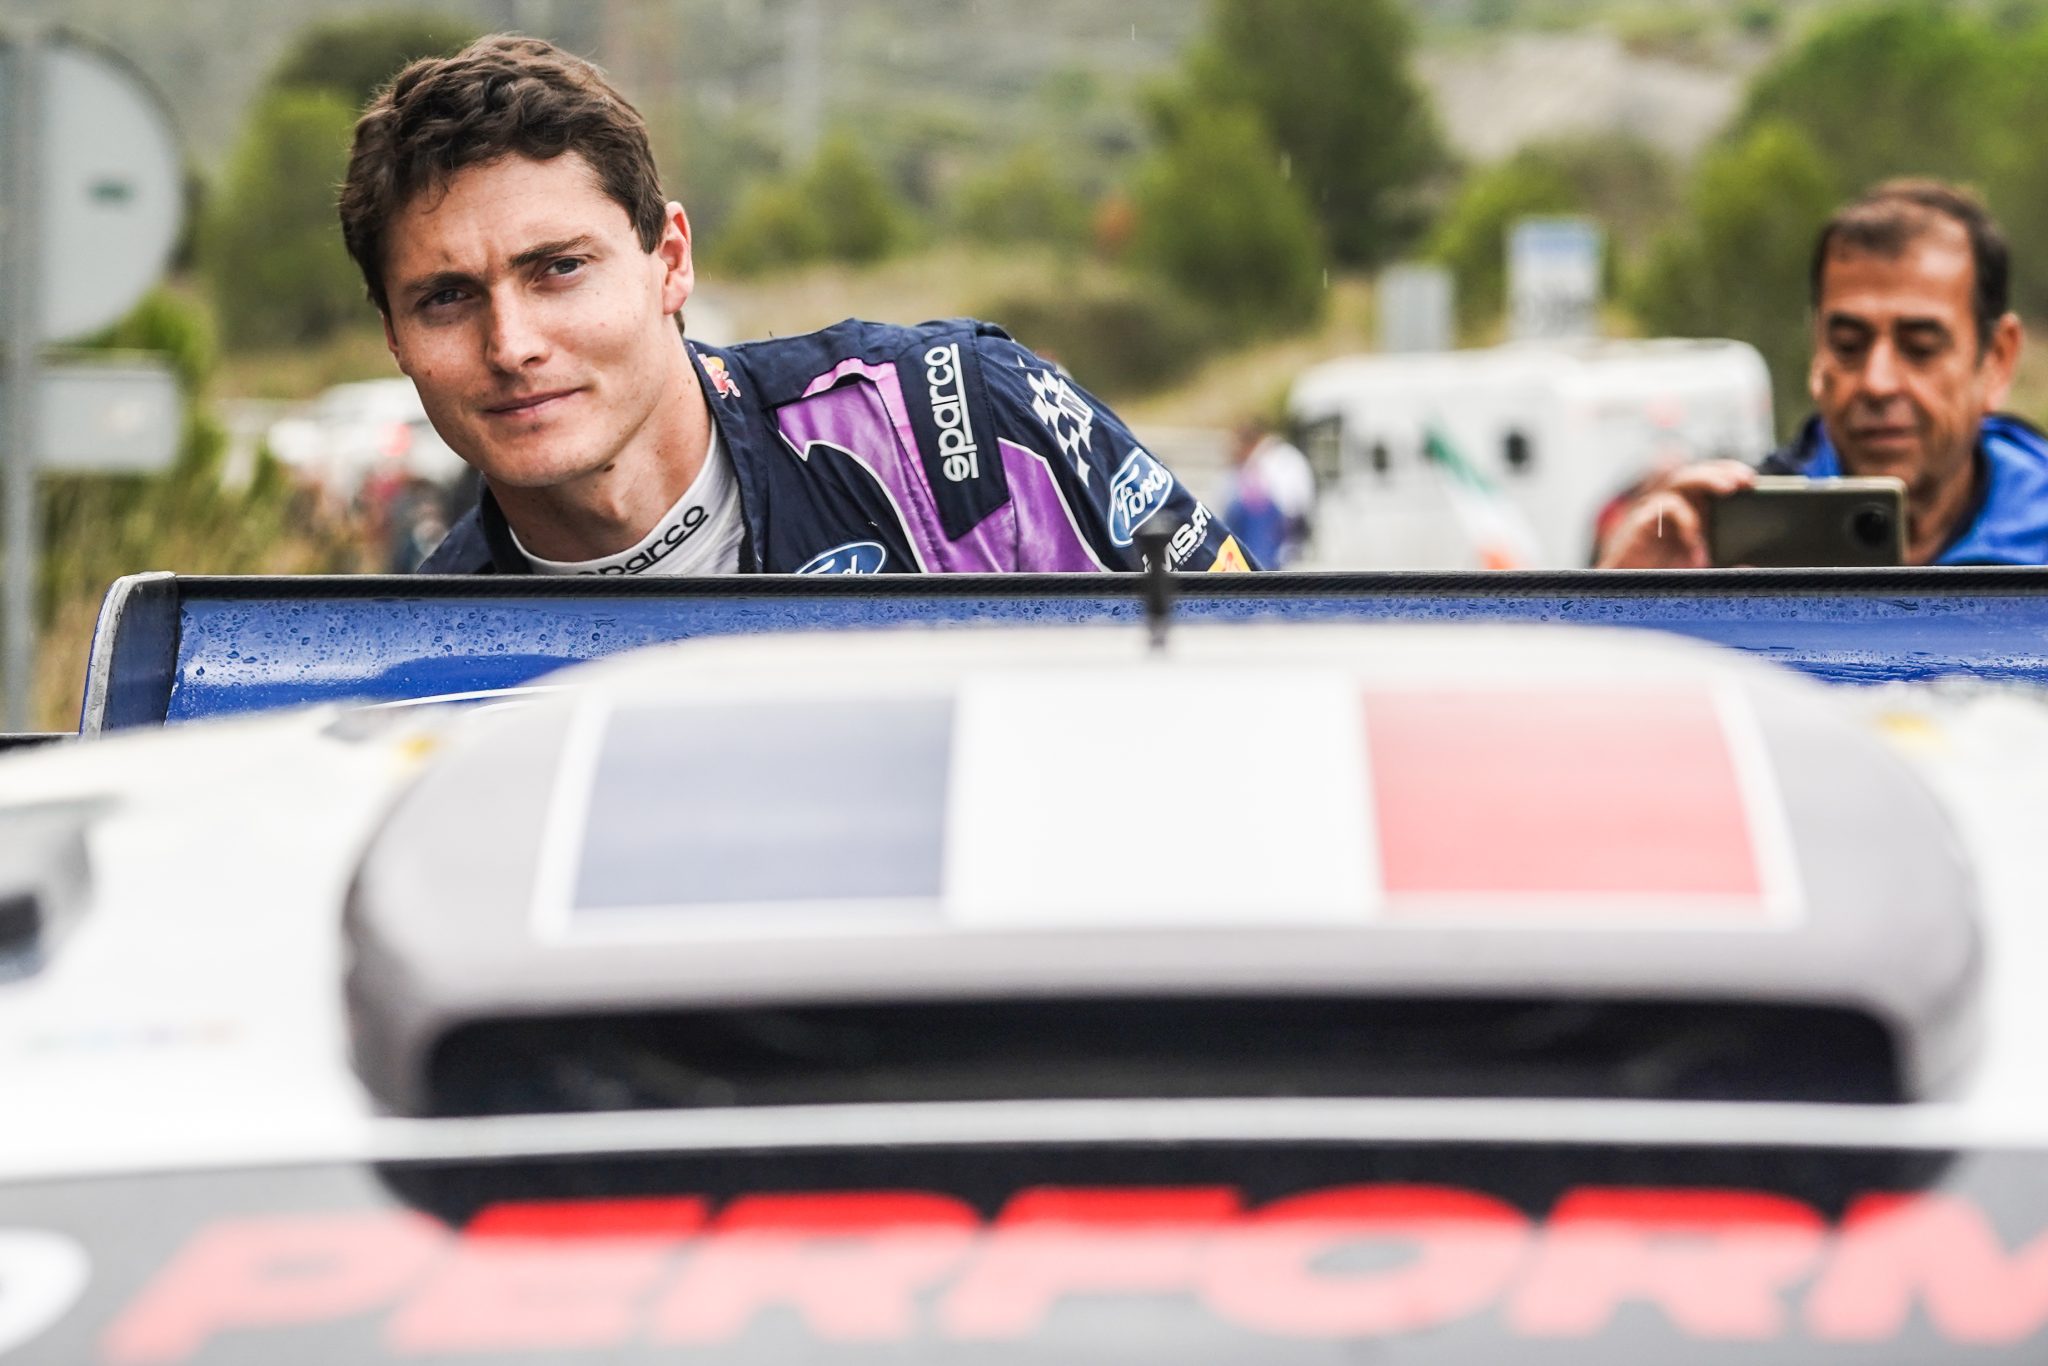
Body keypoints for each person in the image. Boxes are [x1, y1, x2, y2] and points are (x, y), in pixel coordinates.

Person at [338, 35, 1252, 577]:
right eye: (447, 298)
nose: (511, 344)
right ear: (394, 336)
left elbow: (1263, 695)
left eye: (559, 269)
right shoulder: (421, 655)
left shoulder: (961, 421)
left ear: (671, 261)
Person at [1597, 179, 2048, 568]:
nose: (1877, 382)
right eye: (1848, 345)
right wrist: (1630, 605)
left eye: (1920, 348)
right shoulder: (1723, 538)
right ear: (1818, 351)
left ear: (1997, 359)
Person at [1221, 420, 1316, 568]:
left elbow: (1287, 501)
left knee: (1253, 506)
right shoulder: (1273, 455)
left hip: (1284, 521)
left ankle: (1258, 564)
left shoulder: (1274, 457)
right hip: (1276, 519)